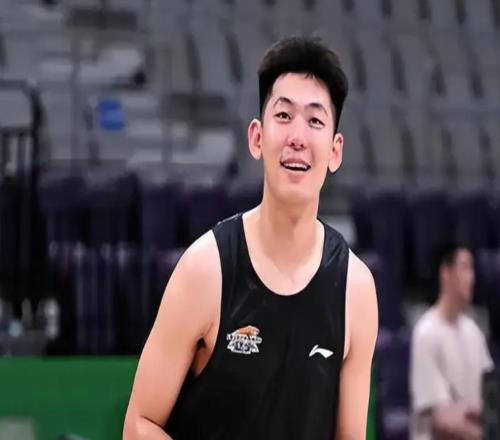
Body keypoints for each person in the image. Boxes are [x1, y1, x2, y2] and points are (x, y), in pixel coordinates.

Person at [123, 36, 378, 440]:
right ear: (257, 138)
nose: (297, 137)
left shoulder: (356, 290)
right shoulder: (205, 270)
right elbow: (139, 425)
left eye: (315, 121)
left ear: (335, 151)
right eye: (284, 115)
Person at [410, 243, 494, 439]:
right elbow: (443, 421)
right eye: (465, 267)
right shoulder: (426, 333)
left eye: (472, 269)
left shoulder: (473, 332)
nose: (472, 278)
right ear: (446, 273)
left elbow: (490, 398)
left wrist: (470, 410)